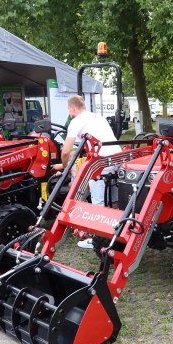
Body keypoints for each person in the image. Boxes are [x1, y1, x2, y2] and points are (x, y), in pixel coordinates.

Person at [61, 95, 122, 249]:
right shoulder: (98, 118)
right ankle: (115, 233)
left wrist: (65, 169)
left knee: (98, 202)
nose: (70, 113)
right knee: (114, 199)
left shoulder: (76, 121)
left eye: (69, 110)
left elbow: (65, 151)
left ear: (72, 108)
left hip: (101, 161)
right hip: (119, 157)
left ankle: (97, 238)